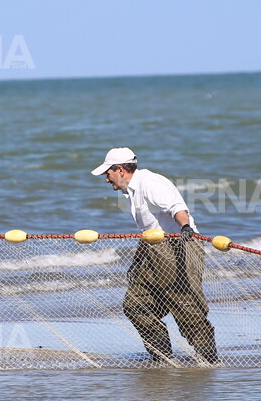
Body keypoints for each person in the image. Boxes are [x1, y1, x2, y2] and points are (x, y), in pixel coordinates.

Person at [92, 147, 219, 365]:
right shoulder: (132, 191)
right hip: (155, 250)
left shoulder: (151, 183)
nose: (106, 180)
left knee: (185, 306)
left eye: (108, 173)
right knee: (135, 305)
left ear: (120, 169)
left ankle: (209, 361)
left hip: (179, 246)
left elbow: (177, 208)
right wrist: (137, 260)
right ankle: (163, 359)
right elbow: (150, 229)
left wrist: (186, 228)